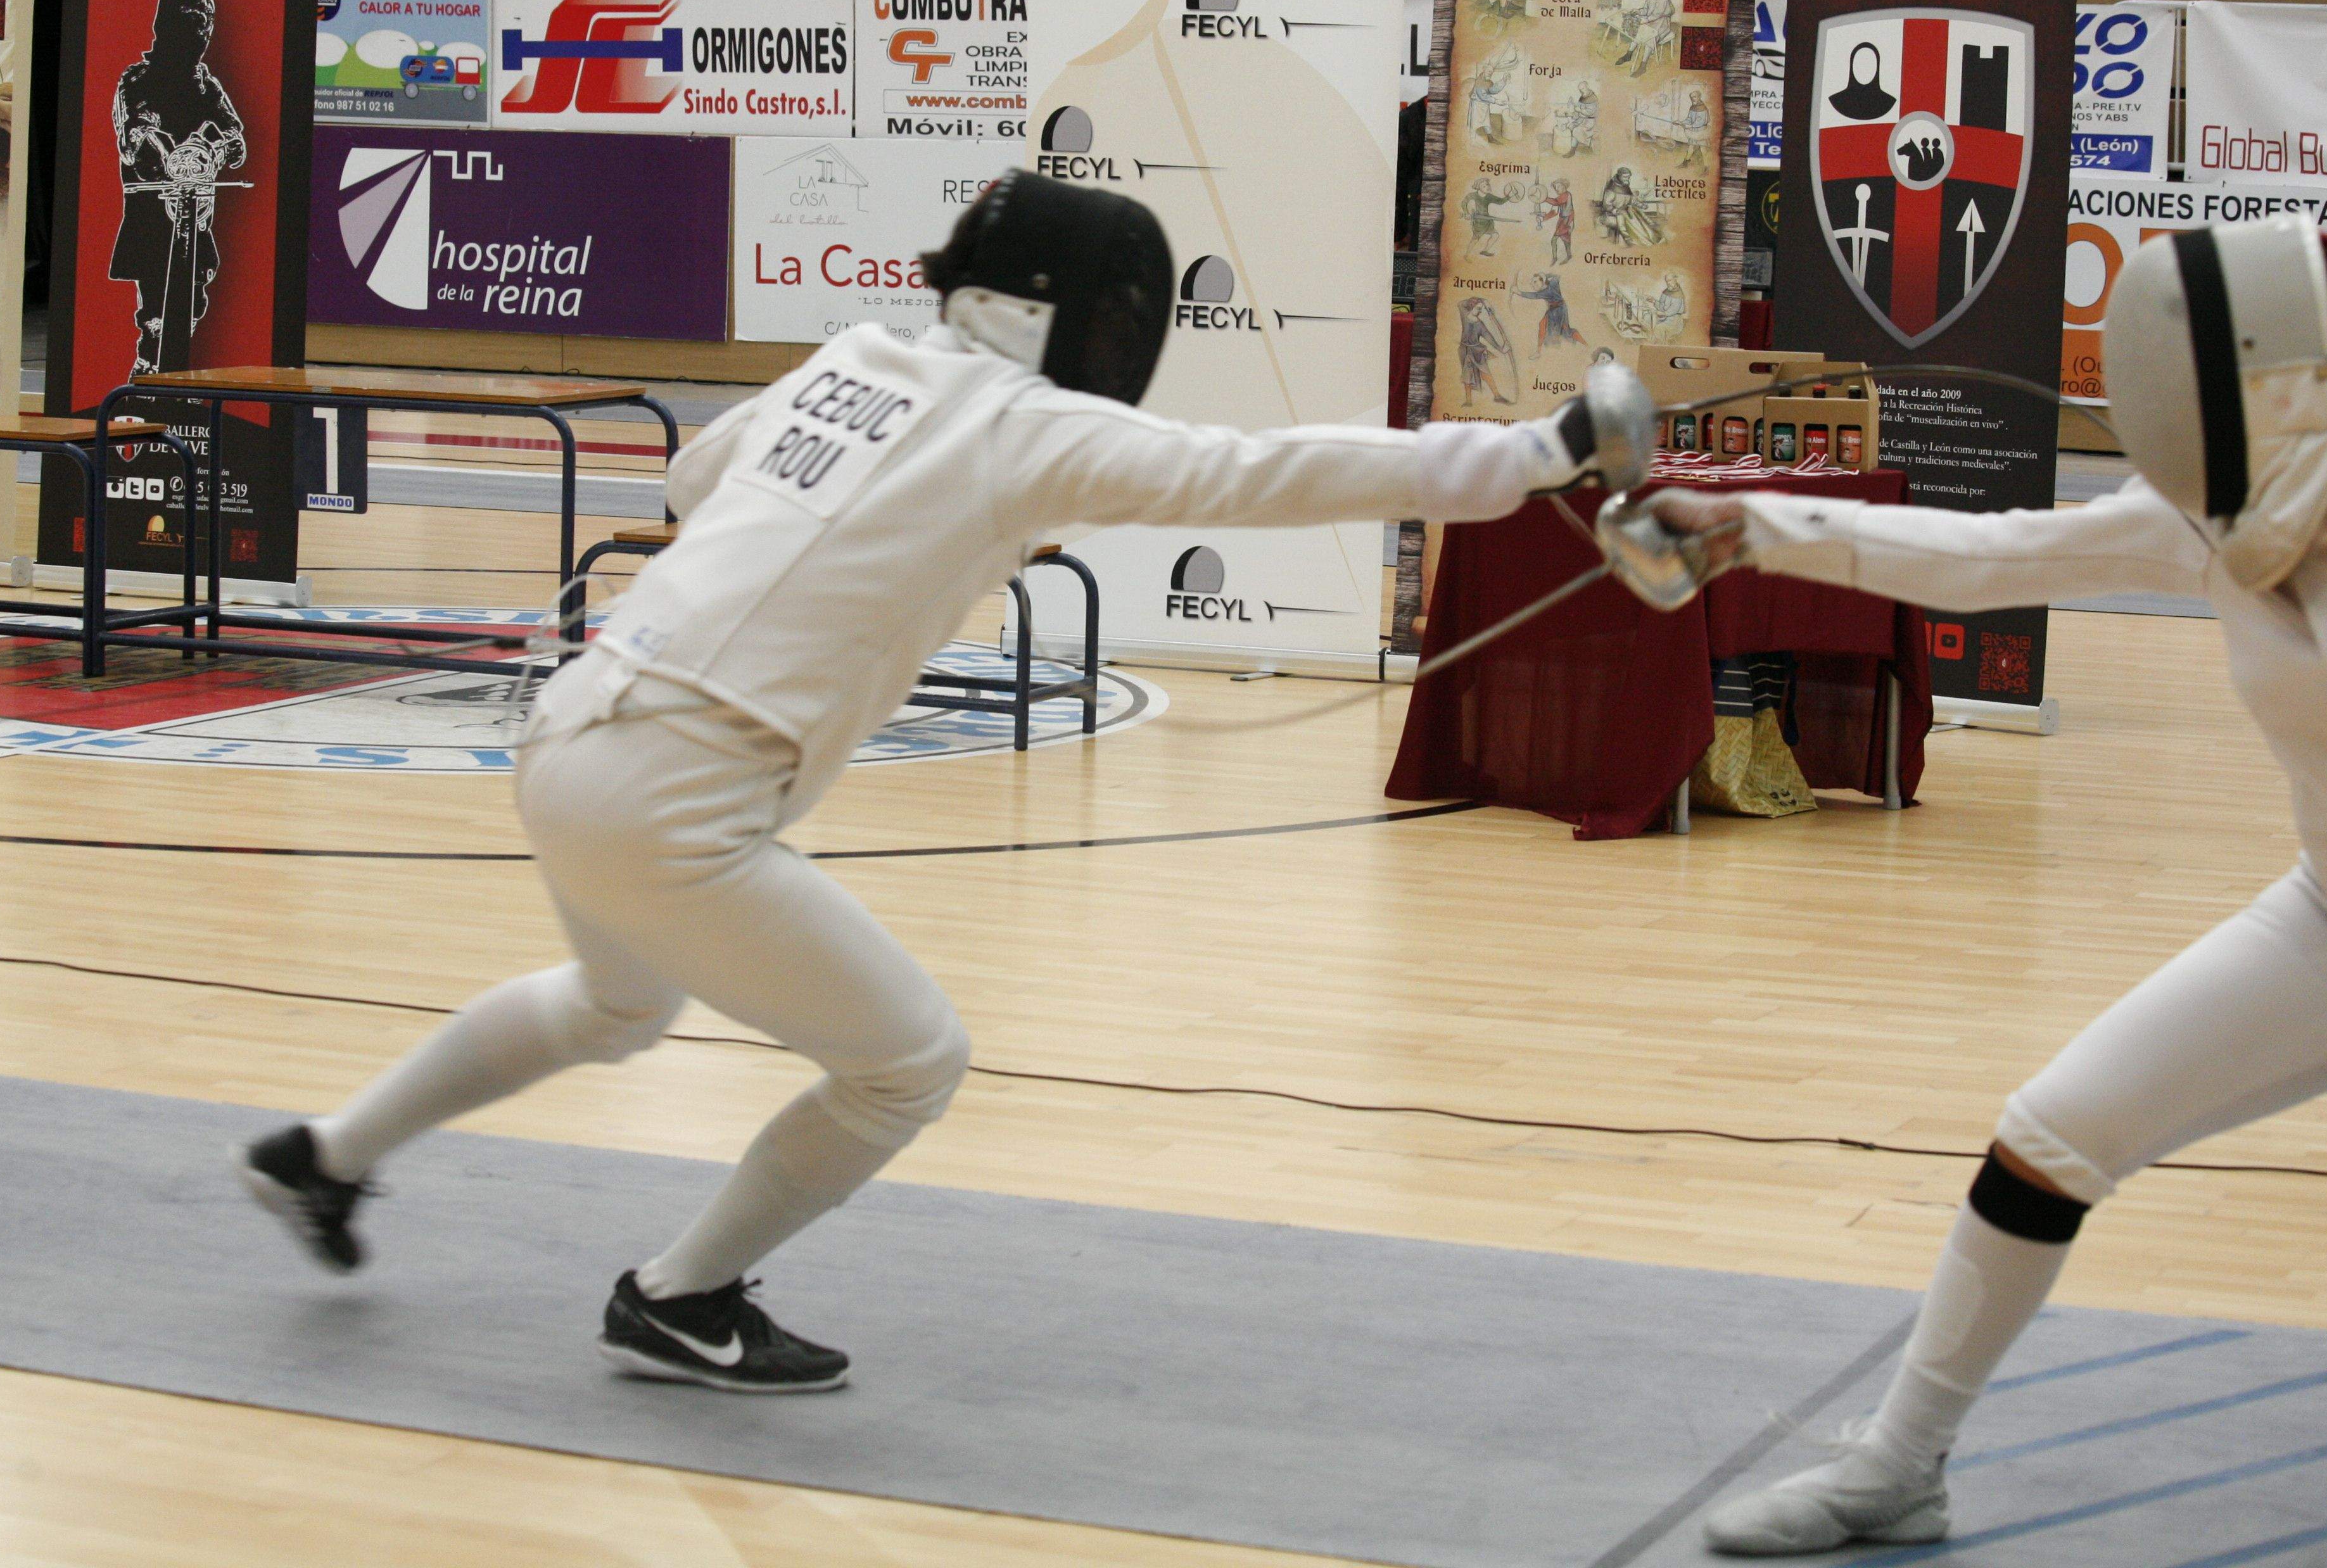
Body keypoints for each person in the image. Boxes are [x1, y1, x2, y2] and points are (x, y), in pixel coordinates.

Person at [239, 172, 1656, 1393]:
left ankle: (326, 1156)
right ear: (1066, 312)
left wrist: (913, 520)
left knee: (616, 1005)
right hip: (674, 791)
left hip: (571, 731)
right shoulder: (1019, 429)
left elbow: (694, 486)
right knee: (906, 1061)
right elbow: (1256, 471)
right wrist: (1535, 456)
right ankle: (679, 1297)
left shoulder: (859, 358)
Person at [1629, 215, 2327, 1553]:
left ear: (2284, 387)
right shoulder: (2211, 517)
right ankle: (1898, 1469)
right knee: (2051, 1134)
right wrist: (1745, 526)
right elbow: (1987, 555)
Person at [110, 0, 246, 374]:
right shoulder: (138, 80)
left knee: (195, 291)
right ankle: (148, 363)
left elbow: (235, 135)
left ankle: (172, 366)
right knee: (155, 296)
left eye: (206, 25)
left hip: (196, 211)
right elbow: (135, 133)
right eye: (190, 24)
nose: (200, 35)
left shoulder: (206, 84)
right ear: (165, 26)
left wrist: (216, 149)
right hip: (151, 210)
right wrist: (162, 153)